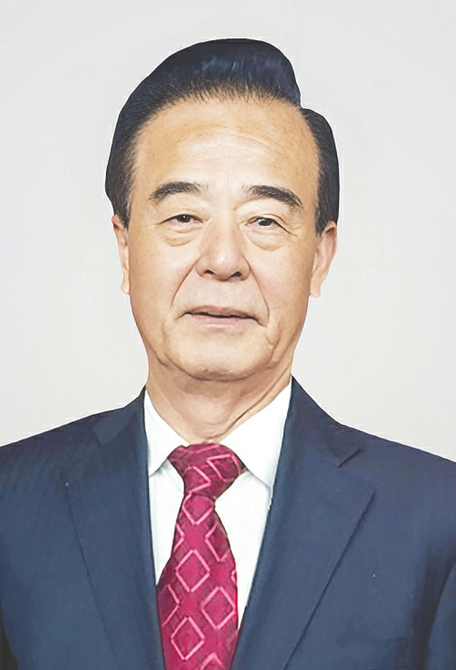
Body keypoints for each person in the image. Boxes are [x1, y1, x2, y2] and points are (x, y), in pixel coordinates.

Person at [0, 38, 455, 670]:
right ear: (125, 246)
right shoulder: (12, 503)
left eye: (265, 221)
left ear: (319, 256)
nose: (222, 260)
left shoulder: (437, 518)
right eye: (183, 217)